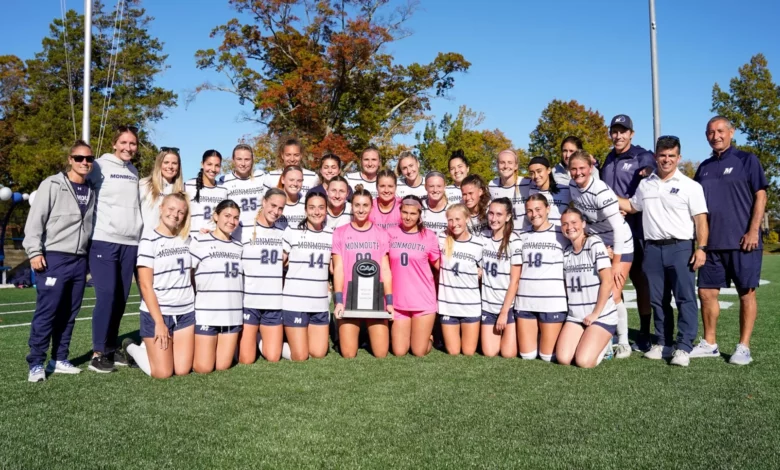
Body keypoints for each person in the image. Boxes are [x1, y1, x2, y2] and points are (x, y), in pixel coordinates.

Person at [618, 135, 709, 366]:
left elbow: (700, 220)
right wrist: (603, 194)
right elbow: (631, 205)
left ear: (679, 157)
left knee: (685, 299)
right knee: (657, 300)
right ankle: (663, 342)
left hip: (680, 248)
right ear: (656, 156)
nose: (666, 160)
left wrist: (701, 248)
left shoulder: (691, 186)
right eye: (662, 155)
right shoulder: (646, 183)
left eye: (671, 156)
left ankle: (684, 347)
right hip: (652, 249)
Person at [690, 116, 768, 365]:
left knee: (746, 293)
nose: (716, 136)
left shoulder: (747, 160)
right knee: (705, 293)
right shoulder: (703, 167)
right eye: (711, 132)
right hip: (711, 245)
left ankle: (743, 347)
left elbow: (761, 195)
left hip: (743, 242)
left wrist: (753, 230)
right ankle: (710, 343)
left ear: (731, 132)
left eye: (720, 131)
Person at [24, 140, 96, 382]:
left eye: (88, 159)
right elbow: (35, 220)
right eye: (79, 158)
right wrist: (34, 251)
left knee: (70, 312)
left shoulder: (92, 189)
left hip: (80, 260)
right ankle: (36, 362)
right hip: (54, 257)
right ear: (70, 159)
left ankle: (60, 358)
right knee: (48, 312)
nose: (84, 162)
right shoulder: (52, 184)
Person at [87, 126, 143, 373]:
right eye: (123, 142)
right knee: (107, 296)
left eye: (132, 144)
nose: (128, 148)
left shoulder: (133, 170)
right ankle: (98, 353)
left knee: (120, 299)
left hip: (129, 242)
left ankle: (110, 347)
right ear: (114, 144)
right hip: (104, 240)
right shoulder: (99, 166)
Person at [568, 150, 634, 358]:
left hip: (620, 242)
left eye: (582, 168)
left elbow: (619, 229)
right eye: (573, 169)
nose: (578, 173)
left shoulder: (601, 191)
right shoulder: (572, 187)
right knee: (598, 291)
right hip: (598, 243)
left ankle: (623, 342)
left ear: (590, 168)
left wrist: (615, 263)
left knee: (613, 293)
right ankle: (604, 338)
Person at [123, 193, 195, 378]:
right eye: (171, 209)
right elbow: (145, 285)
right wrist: (160, 323)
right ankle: (130, 347)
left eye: (181, 211)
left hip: (186, 312)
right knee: (162, 373)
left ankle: (151, 348)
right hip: (158, 313)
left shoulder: (187, 239)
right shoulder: (149, 241)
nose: (175, 214)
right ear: (161, 208)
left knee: (182, 370)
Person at [601, 114, 655, 350]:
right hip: (612, 231)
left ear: (631, 134)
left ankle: (644, 331)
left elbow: (651, 168)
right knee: (614, 280)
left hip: (636, 227)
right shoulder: (608, 158)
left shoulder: (641, 154)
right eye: (615, 131)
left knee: (640, 280)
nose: (619, 135)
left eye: (623, 131)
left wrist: (647, 170)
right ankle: (616, 330)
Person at [332, 185, 393, 358]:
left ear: (371, 207)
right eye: (357, 205)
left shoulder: (381, 233)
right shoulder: (340, 233)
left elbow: (386, 270)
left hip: (375, 298)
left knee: (381, 353)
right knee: (348, 354)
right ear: (351, 207)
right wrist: (338, 300)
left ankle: (366, 336)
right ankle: (342, 335)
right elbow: (338, 268)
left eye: (365, 205)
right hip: (349, 298)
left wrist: (389, 301)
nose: (361, 209)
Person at [555, 208, 617, 368]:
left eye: (574, 222)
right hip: (576, 316)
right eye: (565, 224)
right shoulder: (567, 253)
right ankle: (587, 338)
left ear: (583, 223)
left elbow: (608, 281)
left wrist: (595, 313)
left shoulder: (594, 244)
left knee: (583, 362)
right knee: (563, 359)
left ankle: (607, 344)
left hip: (600, 316)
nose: (569, 227)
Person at [191, 200, 244, 374]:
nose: (231, 221)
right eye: (227, 216)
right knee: (204, 368)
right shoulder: (199, 240)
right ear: (215, 216)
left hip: (231, 314)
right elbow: (188, 273)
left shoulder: (239, 247)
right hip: (207, 313)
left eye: (236, 218)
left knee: (222, 366)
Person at [514, 194, 569, 362]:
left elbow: (582, 241)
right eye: (529, 211)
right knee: (527, 356)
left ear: (547, 209)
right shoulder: (521, 236)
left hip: (552, 303)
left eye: (538, 209)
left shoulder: (562, 233)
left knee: (547, 357)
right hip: (525, 301)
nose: (534, 214)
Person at [282, 192, 334, 360]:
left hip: (319, 303)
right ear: (305, 210)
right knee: (300, 356)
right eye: (312, 207)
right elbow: (280, 261)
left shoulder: (331, 235)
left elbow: (335, 266)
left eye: (321, 207)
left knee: (318, 353)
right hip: (295, 301)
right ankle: (270, 342)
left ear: (326, 210)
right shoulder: (292, 231)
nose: (316, 212)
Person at [387, 195, 440, 357]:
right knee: (399, 351)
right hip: (398, 303)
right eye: (405, 212)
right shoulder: (390, 233)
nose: (408, 217)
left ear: (419, 215)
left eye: (413, 213)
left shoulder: (428, 236)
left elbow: (439, 266)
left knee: (418, 351)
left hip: (423, 301)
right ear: (400, 211)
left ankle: (428, 338)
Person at [238, 189, 287, 364]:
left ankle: (259, 337)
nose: (276, 211)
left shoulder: (283, 232)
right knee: (246, 360)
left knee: (273, 357)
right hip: (249, 301)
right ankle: (248, 338)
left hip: (273, 301)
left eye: (281, 208)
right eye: (273, 205)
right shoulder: (243, 229)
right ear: (263, 202)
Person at [438, 204, 484, 356]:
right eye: (450, 220)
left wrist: (481, 271)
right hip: (448, 305)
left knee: (468, 352)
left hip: (470, 305)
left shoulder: (479, 243)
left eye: (458, 219)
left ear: (467, 219)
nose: (454, 224)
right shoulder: (441, 238)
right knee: (453, 351)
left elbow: (489, 268)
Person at [480, 198, 521, 358]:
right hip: (488, 306)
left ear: (508, 216)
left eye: (499, 214)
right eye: (491, 213)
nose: (494, 218)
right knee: (490, 353)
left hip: (507, 306)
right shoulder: (483, 238)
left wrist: (504, 312)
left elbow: (515, 281)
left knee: (508, 354)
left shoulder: (514, 241)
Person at [221, 144, 266, 240]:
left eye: (247, 159)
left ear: (252, 160)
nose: (243, 163)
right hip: (235, 235)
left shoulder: (261, 177)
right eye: (239, 159)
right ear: (233, 160)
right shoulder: (224, 181)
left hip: (258, 234)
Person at [139, 147, 184, 232]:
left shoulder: (181, 191)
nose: (170, 166)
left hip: (170, 242)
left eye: (174, 163)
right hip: (146, 240)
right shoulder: (144, 184)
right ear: (159, 164)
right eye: (166, 162)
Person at [185, 150, 228, 236]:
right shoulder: (188, 186)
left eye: (217, 166)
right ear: (202, 164)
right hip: (193, 240)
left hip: (215, 239)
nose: (213, 169)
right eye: (209, 164)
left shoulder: (224, 189)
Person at [525, 156, 571, 229]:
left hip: (561, 236)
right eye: (532, 173)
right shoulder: (531, 191)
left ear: (549, 170)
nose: (536, 176)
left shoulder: (565, 189)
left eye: (539, 171)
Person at [488, 150, 524, 227]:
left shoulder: (526, 183)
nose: (506, 166)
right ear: (497, 165)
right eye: (502, 162)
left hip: (524, 236)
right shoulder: (492, 185)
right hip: (503, 236)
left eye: (510, 162)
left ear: (516, 166)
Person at [275, 165, 306, 230]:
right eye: (291, 180)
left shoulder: (306, 202)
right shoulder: (273, 201)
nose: (295, 184)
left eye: (299, 180)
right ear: (283, 180)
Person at [421, 171, 449, 235]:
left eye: (439, 186)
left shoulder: (452, 209)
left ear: (445, 187)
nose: (435, 190)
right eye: (431, 186)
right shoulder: (419, 207)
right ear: (425, 187)